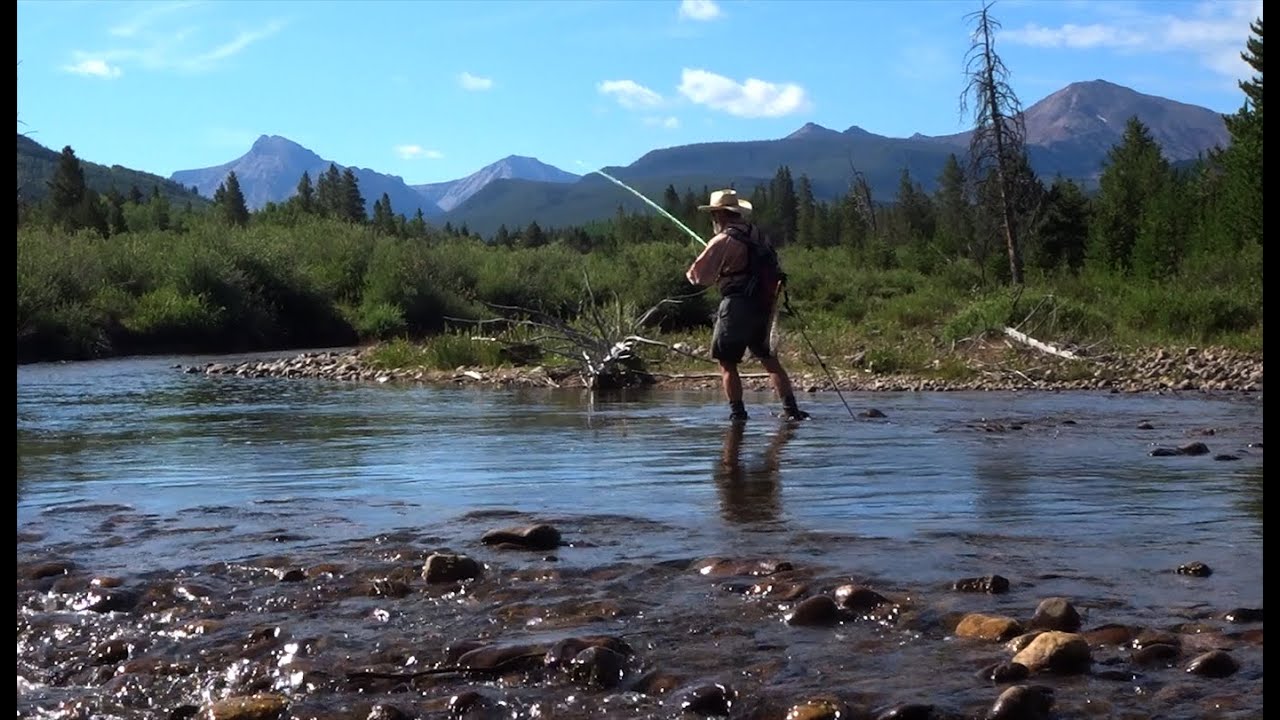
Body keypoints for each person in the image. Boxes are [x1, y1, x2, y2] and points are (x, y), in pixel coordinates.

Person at [685, 189, 810, 422]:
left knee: (727, 362)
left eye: (714, 214)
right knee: (768, 359)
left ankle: (738, 414)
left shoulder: (722, 239)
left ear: (720, 215)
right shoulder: (759, 235)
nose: (714, 219)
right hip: (763, 305)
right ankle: (791, 410)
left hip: (736, 306)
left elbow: (698, 277)